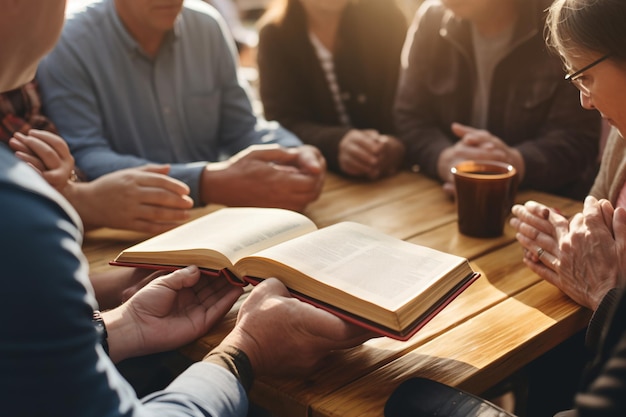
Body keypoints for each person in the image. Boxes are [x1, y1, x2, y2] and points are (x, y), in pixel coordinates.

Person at [0, 1, 373, 416]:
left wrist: (123, 325)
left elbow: (21, 351)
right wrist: (242, 352)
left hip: (149, 288)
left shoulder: (205, 26)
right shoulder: (23, 209)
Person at [36, 0, 326, 213]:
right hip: (129, 237)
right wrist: (206, 182)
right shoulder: (68, 42)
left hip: (222, 221)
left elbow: (243, 128)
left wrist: (293, 153)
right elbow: (85, 158)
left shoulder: (207, 26)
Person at [394, 0, 602, 200]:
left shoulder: (563, 21)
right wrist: (442, 157)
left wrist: (515, 162)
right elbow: (409, 116)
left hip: (543, 202)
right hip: (443, 196)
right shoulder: (431, 19)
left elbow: (578, 137)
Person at [0, 81, 195, 234]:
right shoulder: (61, 50)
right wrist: (80, 200)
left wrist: (70, 186)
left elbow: (59, 172)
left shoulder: (25, 83)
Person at [257, 0, 407, 180]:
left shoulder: (386, 17)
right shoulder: (275, 36)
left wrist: (395, 144)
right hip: (323, 178)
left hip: (400, 177)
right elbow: (283, 121)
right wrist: (335, 143)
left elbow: (412, 102)